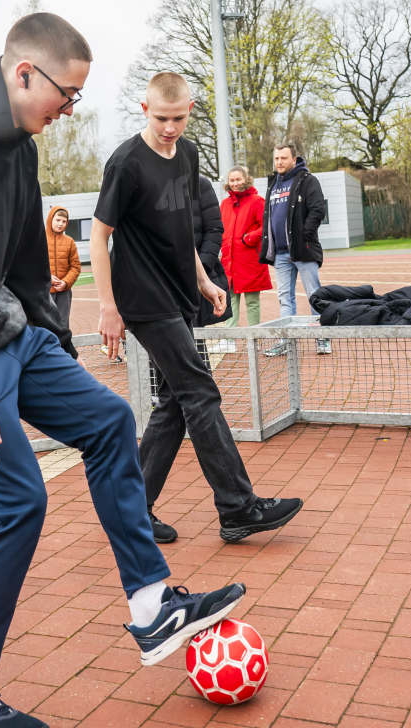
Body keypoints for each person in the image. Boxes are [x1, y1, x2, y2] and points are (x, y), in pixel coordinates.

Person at [0, 14, 246, 728]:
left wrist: (52, 344)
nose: (70, 108)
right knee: (17, 505)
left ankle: (151, 609)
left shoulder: (20, 145)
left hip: (10, 337)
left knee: (110, 421)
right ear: (24, 74)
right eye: (66, 94)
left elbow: (22, 265)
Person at [92, 71, 303, 548]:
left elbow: (179, 234)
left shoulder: (188, 155)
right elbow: (99, 237)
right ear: (145, 110)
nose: (170, 127)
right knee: (200, 393)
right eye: (162, 118)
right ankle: (237, 508)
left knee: (174, 401)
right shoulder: (125, 163)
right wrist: (108, 306)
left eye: (179, 117)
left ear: (190, 110)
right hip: (143, 299)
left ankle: (133, 512)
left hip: (179, 294)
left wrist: (205, 281)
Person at [259, 143, 330, 355]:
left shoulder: (308, 180)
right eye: (276, 158)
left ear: (294, 159)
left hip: (303, 250)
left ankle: (322, 339)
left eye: (283, 158)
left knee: (314, 295)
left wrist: (304, 235)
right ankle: (286, 342)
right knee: (285, 298)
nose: (279, 162)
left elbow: (318, 210)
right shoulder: (273, 184)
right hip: (280, 254)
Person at [219, 166, 271, 350]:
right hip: (229, 258)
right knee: (230, 298)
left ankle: (254, 338)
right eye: (232, 180)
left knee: (252, 300)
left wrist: (248, 239)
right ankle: (229, 340)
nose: (235, 184)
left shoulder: (257, 200)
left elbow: (266, 225)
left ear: (246, 179)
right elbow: (220, 229)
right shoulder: (225, 204)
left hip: (249, 258)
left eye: (238, 180)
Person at [192, 175, 229, 356]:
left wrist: (202, 272)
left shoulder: (200, 184)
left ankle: (201, 382)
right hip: (157, 280)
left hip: (192, 279)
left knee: (194, 346)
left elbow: (214, 229)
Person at [46, 206, 80, 329]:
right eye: (58, 220)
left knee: (62, 326)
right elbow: (30, 266)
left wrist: (66, 282)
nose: (61, 224)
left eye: (64, 221)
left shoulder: (69, 242)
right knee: (44, 326)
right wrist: (46, 278)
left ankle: (62, 348)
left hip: (63, 293)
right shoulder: (39, 239)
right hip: (44, 292)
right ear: (51, 219)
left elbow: (75, 267)